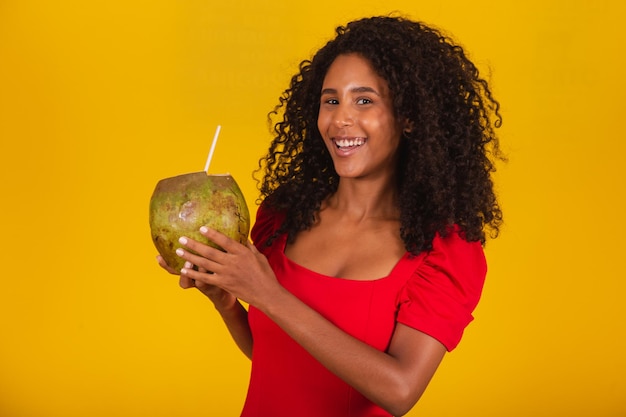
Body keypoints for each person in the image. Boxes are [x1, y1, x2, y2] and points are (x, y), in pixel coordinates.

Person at [158, 15, 504, 417]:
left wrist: (267, 294)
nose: (341, 119)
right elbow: (279, 358)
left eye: (364, 100)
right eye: (331, 100)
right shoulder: (284, 217)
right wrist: (228, 301)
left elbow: (400, 390)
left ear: (409, 117)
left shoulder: (444, 250)